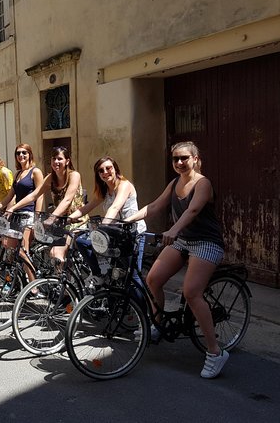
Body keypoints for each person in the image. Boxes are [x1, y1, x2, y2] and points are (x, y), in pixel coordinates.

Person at [125, 141, 228, 379]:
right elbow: (155, 206)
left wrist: (173, 231)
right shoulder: (174, 183)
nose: (179, 163)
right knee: (153, 279)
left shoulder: (203, 183)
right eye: (175, 159)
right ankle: (158, 325)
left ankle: (215, 352)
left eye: (184, 158)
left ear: (195, 158)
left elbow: (192, 211)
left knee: (191, 292)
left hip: (206, 242)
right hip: (183, 240)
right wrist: (127, 219)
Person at [8, 146, 85, 262]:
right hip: (60, 222)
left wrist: (52, 217)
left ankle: (60, 279)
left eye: (60, 159)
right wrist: (13, 208)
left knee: (56, 253)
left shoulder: (74, 175)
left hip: (76, 222)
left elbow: (67, 200)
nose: (56, 162)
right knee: (41, 245)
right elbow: (34, 195)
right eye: (54, 159)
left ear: (67, 161)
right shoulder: (50, 178)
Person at [0, 144, 44, 282]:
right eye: (18, 153)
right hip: (16, 216)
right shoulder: (17, 174)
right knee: (9, 250)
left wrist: (37, 217)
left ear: (30, 154)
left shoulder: (35, 172)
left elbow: (39, 195)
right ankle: (12, 281)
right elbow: (9, 197)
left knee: (23, 251)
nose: (21, 155)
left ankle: (34, 286)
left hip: (29, 215)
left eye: (24, 152)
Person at [69, 156, 146, 233]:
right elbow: (86, 208)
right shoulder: (104, 190)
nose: (105, 172)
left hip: (134, 231)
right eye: (101, 170)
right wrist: (68, 218)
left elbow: (114, 208)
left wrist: (102, 227)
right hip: (118, 232)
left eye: (108, 168)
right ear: (98, 175)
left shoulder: (124, 185)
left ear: (115, 169)